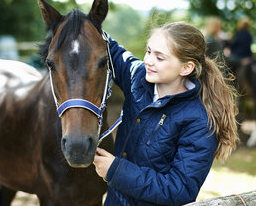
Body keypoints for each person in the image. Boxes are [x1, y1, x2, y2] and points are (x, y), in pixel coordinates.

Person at [93, 22, 239, 206]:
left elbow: (181, 190)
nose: (148, 61)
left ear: (186, 68)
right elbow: (110, 48)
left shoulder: (200, 121)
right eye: (148, 51)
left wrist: (115, 170)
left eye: (160, 57)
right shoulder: (138, 77)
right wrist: (87, 22)